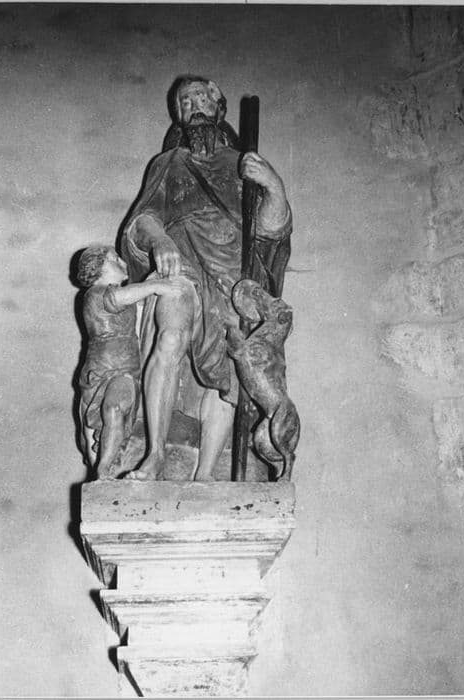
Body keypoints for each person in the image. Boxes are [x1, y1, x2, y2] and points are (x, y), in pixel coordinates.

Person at [120, 75, 292, 481]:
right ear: (178, 116)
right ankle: (155, 455)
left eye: (200, 98)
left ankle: (206, 473)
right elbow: (141, 219)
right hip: (180, 265)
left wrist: (273, 186)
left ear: (218, 107)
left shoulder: (242, 164)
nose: (193, 106)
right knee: (170, 336)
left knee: (231, 372)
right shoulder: (168, 163)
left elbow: (270, 233)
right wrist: (160, 239)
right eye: (184, 102)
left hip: (232, 275)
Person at [76, 245, 184, 479]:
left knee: (114, 408)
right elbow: (119, 298)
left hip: (124, 372)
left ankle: (103, 469)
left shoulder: (128, 297)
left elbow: (138, 307)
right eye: (115, 259)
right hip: (97, 373)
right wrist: (156, 286)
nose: (124, 263)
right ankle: (100, 473)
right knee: (92, 433)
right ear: (98, 268)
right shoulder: (95, 294)